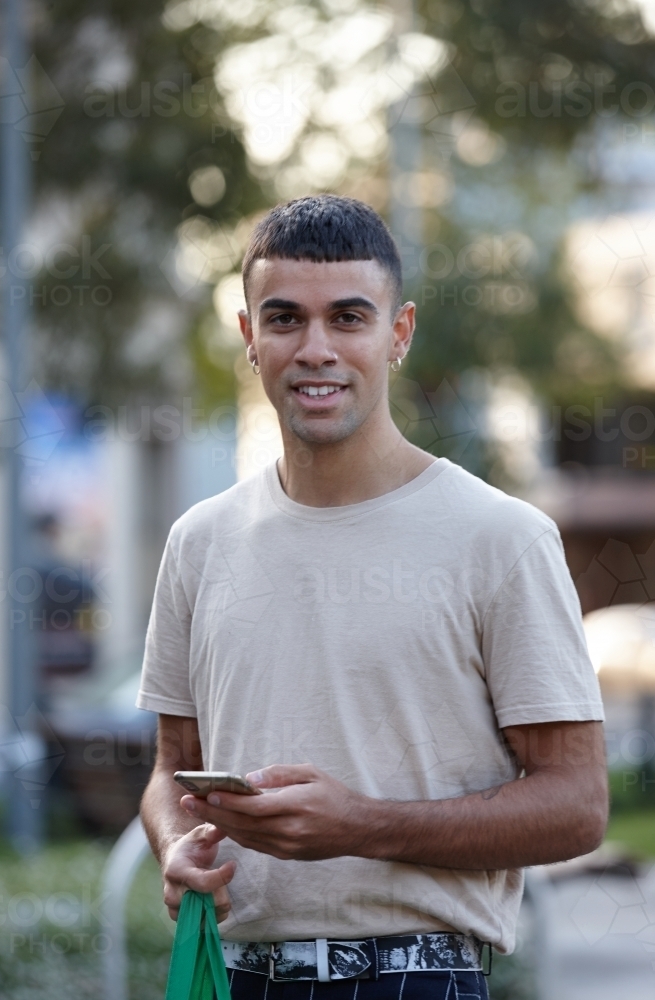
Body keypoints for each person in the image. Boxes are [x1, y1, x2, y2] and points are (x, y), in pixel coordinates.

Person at [137, 195, 608, 999]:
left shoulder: (500, 537)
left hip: (413, 977)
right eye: (284, 319)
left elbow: (576, 807)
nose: (315, 348)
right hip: (234, 975)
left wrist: (363, 824)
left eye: (348, 318)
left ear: (398, 333)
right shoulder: (199, 540)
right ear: (250, 337)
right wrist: (177, 842)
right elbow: (172, 770)